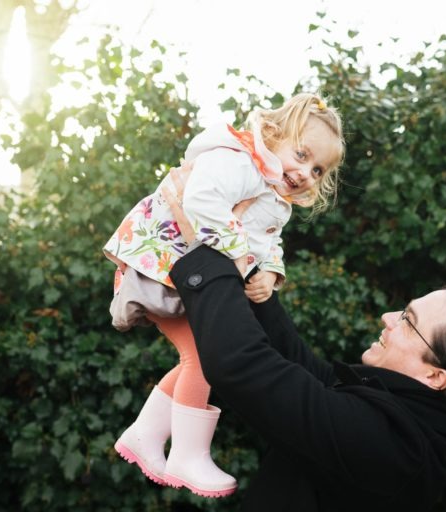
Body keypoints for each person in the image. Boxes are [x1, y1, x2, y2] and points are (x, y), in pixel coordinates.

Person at [102, 93, 345, 498]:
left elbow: (266, 243)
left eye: (317, 169)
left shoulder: (272, 195)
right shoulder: (239, 161)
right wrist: (242, 258)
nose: (306, 172)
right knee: (202, 358)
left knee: (195, 356)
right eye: (301, 155)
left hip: (179, 275)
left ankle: (145, 433)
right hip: (156, 265)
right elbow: (200, 200)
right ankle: (188, 453)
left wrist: (268, 271)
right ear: (272, 133)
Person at [167, 244, 446, 511]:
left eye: (408, 321)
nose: (387, 317)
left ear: (435, 376)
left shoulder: (394, 449)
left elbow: (242, 366)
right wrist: (253, 281)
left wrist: (207, 254)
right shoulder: (400, 419)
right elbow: (300, 365)